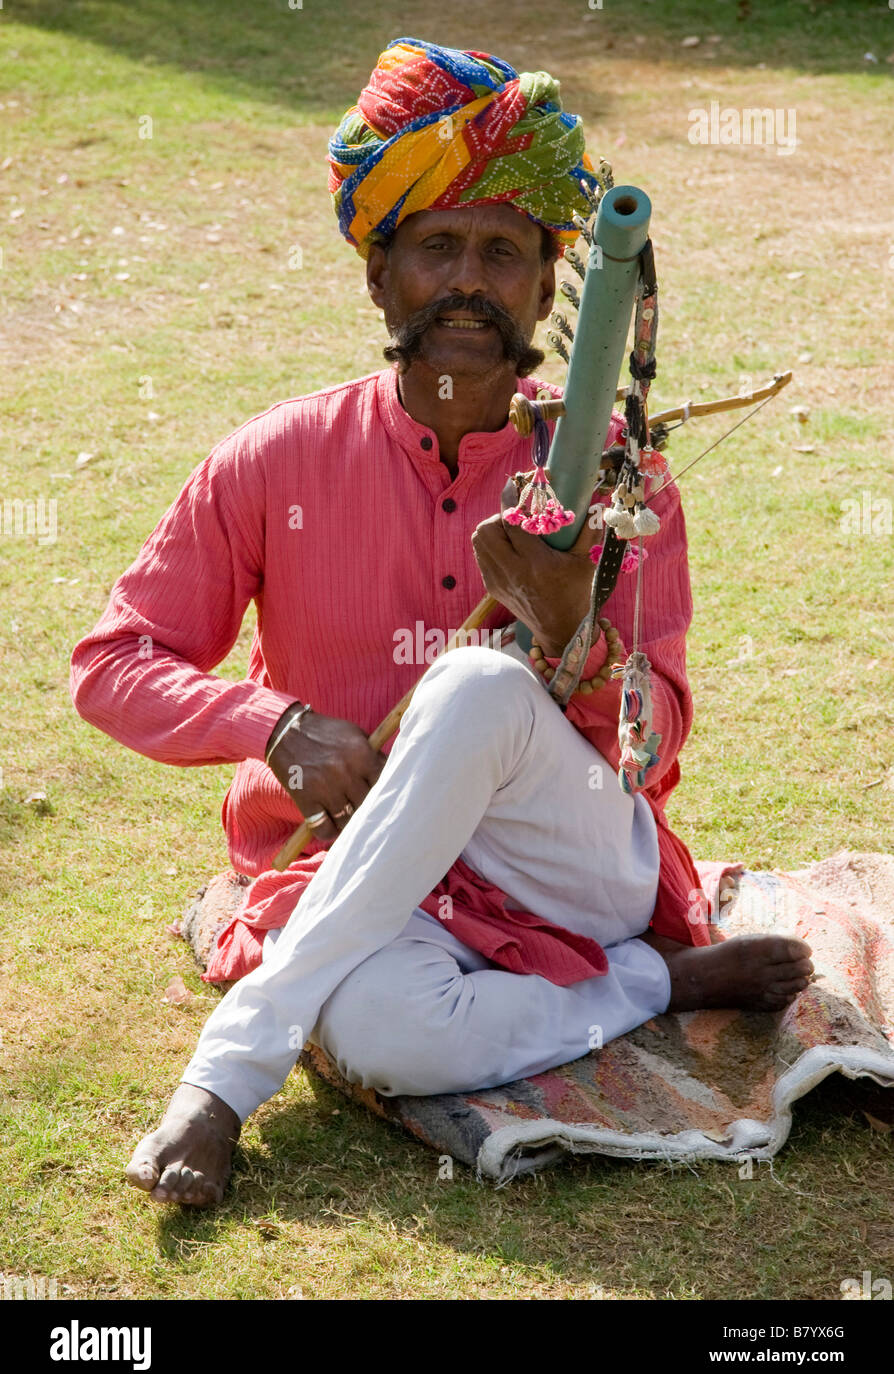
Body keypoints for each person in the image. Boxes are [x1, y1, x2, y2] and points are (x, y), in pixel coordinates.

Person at [70, 37, 812, 1208]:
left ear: (547, 285)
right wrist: (274, 724)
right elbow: (111, 663)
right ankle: (654, 984)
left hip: (568, 857)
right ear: (380, 275)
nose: (470, 280)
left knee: (474, 689)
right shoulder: (275, 459)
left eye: (506, 254)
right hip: (366, 875)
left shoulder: (612, 473)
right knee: (381, 1033)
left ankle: (220, 1080)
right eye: (438, 248)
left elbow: (652, 747)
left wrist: (581, 643)